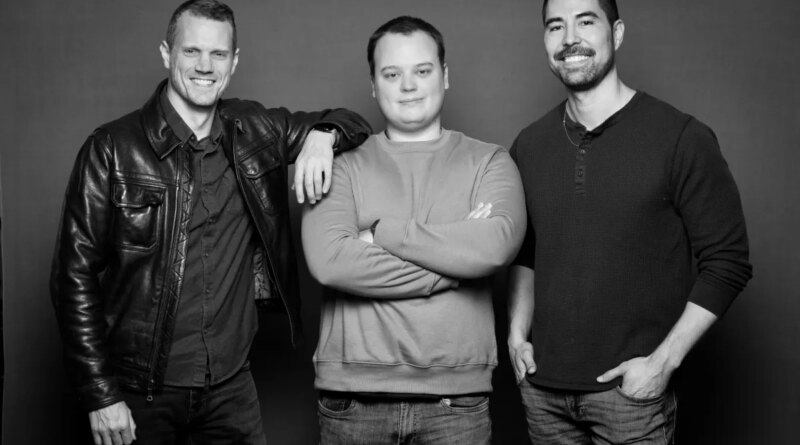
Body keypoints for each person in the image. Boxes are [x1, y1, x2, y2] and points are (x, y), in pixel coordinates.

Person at [49, 1, 371, 444]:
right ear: (167, 54)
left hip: (230, 389)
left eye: (219, 54)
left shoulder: (258, 130)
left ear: (234, 62)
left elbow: (355, 122)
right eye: (191, 52)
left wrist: (323, 135)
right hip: (140, 392)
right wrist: (100, 395)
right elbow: (73, 278)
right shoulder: (112, 148)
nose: (205, 66)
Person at [507, 0, 753, 443]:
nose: (569, 39)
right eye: (555, 26)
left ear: (616, 34)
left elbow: (728, 262)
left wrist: (662, 363)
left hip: (630, 399)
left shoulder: (681, 137)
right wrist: (515, 333)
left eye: (586, 22)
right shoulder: (528, 144)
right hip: (542, 394)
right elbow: (526, 251)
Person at [301, 16, 526, 445]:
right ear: (373, 84)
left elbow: (495, 247)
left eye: (422, 71)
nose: (408, 86)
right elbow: (331, 263)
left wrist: (380, 234)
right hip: (352, 401)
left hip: (456, 404)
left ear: (444, 76)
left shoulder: (489, 162)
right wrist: (457, 262)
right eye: (392, 74)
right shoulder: (339, 164)